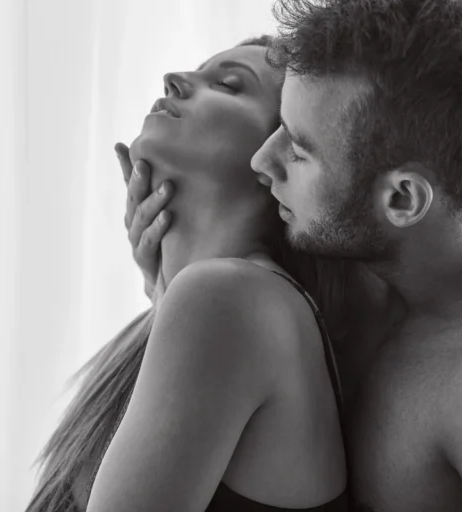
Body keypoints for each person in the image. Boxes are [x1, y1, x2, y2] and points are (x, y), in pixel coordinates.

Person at [125, 0, 462, 509]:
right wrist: (167, 296)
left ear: (401, 199)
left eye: (299, 151)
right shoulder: (346, 308)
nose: (263, 159)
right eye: (276, 126)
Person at [26, 36, 350, 512]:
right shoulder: (219, 303)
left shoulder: (231, 300)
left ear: (281, 156)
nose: (173, 80)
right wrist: (160, 291)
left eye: (228, 84)